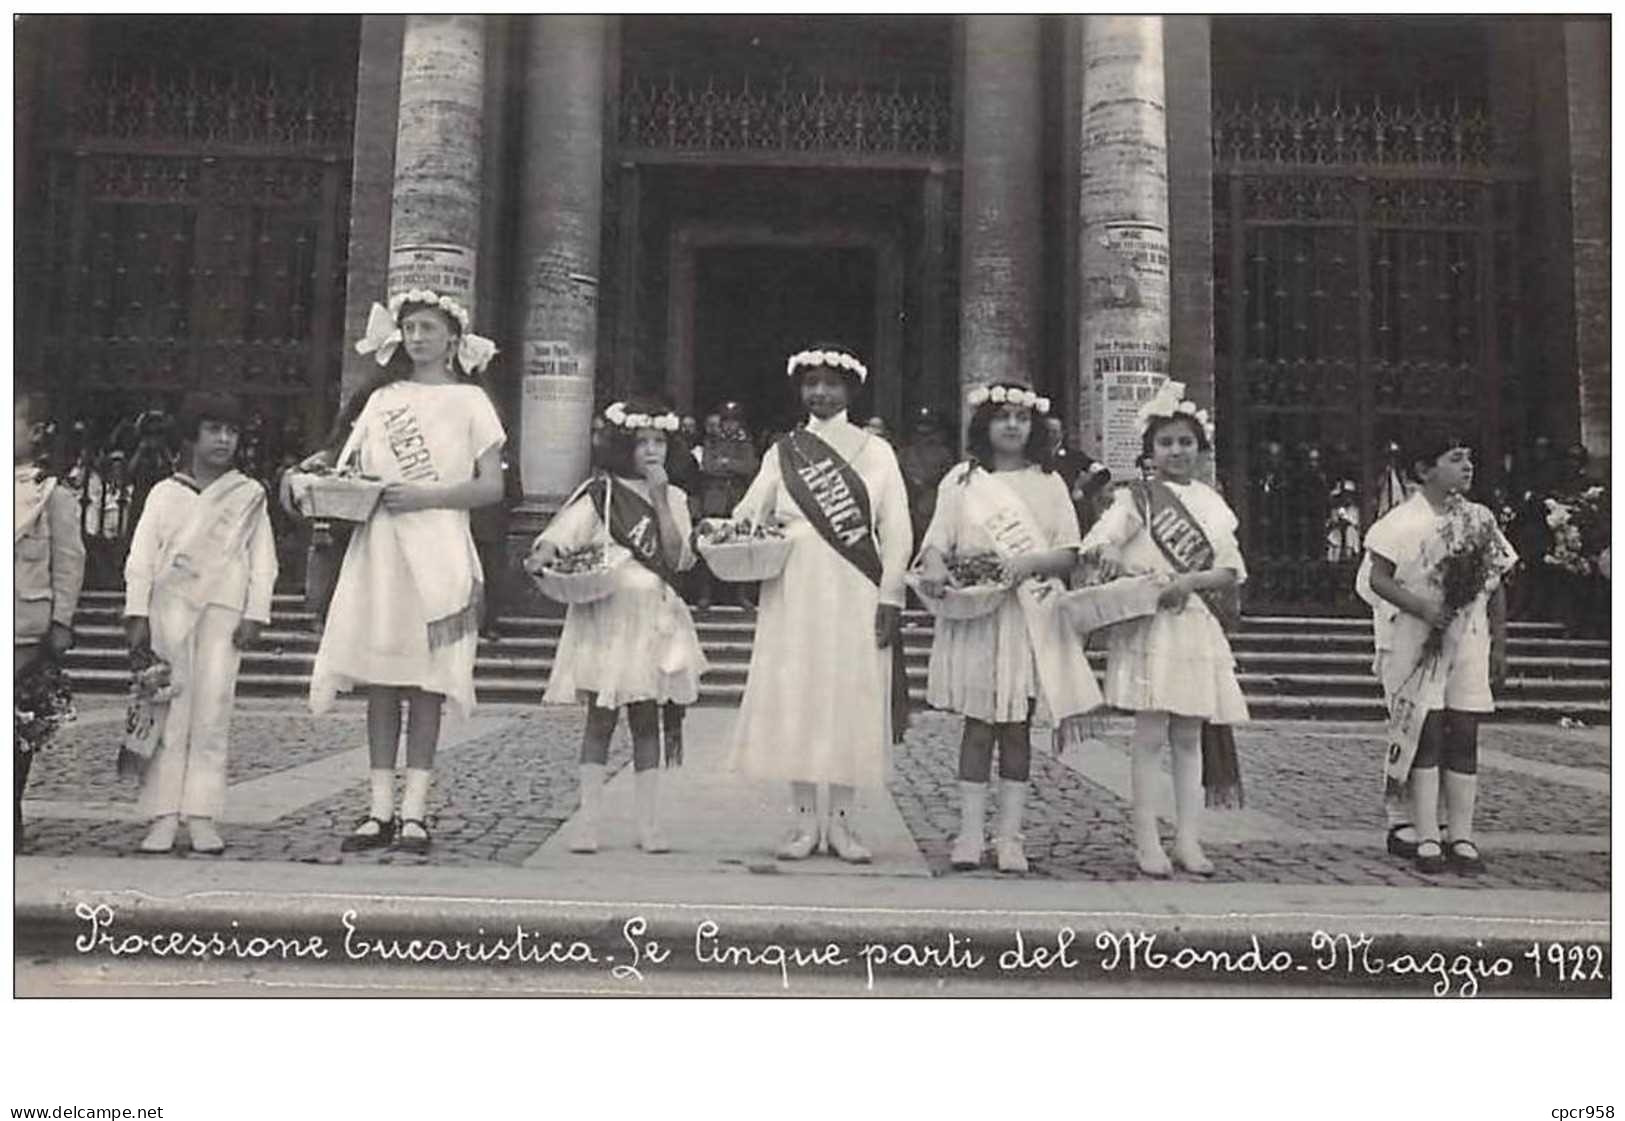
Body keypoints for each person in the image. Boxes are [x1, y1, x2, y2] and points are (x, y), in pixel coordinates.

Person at [296, 289, 504, 856]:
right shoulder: (382, 399)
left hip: (438, 544)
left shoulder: (471, 403)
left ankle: (415, 812)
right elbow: (350, 467)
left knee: (427, 682)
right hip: (382, 546)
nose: (417, 338)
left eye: (428, 329)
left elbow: (492, 486)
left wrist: (429, 496)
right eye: (410, 328)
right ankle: (378, 809)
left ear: (452, 340)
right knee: (383, 678)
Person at [729, 343, 912, 862]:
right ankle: (806, 821)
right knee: (800, 695)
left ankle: (844, 823)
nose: (821, 392)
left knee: (850, 694)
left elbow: (896, 528)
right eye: (812, 383)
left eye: (831, 383)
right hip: (795, 582)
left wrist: (892, 593)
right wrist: (734, 532)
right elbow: (750, 510)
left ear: (850, 390)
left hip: (857, 581)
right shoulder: (783, 450)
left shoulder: (876, 452)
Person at [912, 382, 1102, 873]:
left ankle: (1010, 837)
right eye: (1002, 417)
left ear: (1034, 427)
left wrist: (1031, 561)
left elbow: (1068, 553)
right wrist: (934, 566)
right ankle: (970, 836)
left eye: (1021, 417)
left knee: (1016, 728)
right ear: (985, 426)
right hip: (978, 614)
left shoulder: (1048, 482)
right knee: (977, 727)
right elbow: (936, 542)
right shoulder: (963, 479)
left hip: (1027, 617)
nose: (1013, 425)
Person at [1079, 381, 1248, 877]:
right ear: (1149, 452)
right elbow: (1100, 543)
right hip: (1149, 628)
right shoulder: (1137, 500)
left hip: (1192, 624)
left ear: (1200, 449)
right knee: (1150, 737)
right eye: (1167, 443)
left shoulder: (1213, 504)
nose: (1177, 451)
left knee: (1190, 737)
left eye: (1186, 443)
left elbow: (1230, 569)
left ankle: (1189, 840)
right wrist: (1111, 556)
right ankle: (1147, 840)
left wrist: (1188, 580)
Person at [527, 399, 708, 853]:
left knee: (648, 721)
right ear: (624, 446)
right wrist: (542, 557)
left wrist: (661, 496)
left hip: (652, 621)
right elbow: (560, 536)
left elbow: (677, 557)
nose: (651, 450)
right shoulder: (600, 493)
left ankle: (648, 825)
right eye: (642, 442)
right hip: (604, 616)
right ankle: (589, 823)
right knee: (600, 720)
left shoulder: (678, 497)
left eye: (659, 442)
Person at [123, 393, 277, 854]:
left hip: (224, 613)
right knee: (169, 710)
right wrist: (136, 611)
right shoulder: (165, 493)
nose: (223, 440)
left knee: (212, 712)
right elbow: (141, 557)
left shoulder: (248, 496)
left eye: (231, 432)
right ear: (192, 437)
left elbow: (263, 561)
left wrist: (256, 613)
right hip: (170, 609)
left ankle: (203, 815)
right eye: (213, 430)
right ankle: (163, 815)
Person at [1356, 432, 1515, 875]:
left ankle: (1460, 834)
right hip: (1416, 636)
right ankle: (1424, 833)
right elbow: (1378, 579)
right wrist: (1423, 607)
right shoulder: (1401, 522)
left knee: (1463, 730)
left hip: (1468, 639)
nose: (1467, 466)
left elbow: (1496, 583)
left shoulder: (1480, 520)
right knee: (1424, 729)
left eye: (1469, 458)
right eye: (1455, 458)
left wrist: (1500, 644)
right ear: (1425, 470)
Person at [14, 391, 86, 848]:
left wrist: (61, 621)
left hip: (22, 625)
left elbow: (69, 559)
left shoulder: (49, 493)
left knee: (15, 724)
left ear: (35, 433)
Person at [698, 401, 760, 609]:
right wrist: (730, 466)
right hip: (715, 499)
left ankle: (741, 595)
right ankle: (706, 594)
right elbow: (708, 467)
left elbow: (750, 467)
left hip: (737, 498)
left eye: (734, 422)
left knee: (740, 545)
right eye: (727, 421)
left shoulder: (745, 443)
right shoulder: (712, 442)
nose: (730, 426)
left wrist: (726, 463)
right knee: (709, 544)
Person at [898, 406, 956, 545]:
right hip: (908, 502)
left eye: (928, 425)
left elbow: (948, 477)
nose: (923, 431)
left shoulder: (943, 453)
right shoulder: (904, 453)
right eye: (921, 425)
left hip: (932, 500)